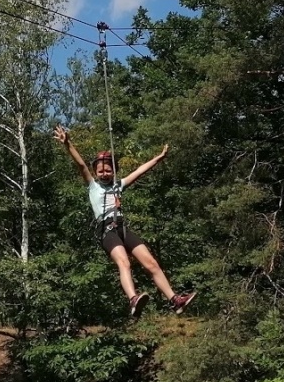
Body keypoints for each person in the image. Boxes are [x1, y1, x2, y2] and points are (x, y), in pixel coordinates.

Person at [53, 125, 195, 316]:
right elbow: (81, 166)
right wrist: (68, 144)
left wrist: (158, 158)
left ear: (114, 171)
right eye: (101, 171)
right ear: (96, 173)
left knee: (151, 263)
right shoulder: (93, 187)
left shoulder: (118, 186)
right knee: (124, 262)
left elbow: (139, 171)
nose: (105, 173)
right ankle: (133, 298)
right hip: (106, 230)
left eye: (108, 170)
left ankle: (175, 300)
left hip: (123, 228)